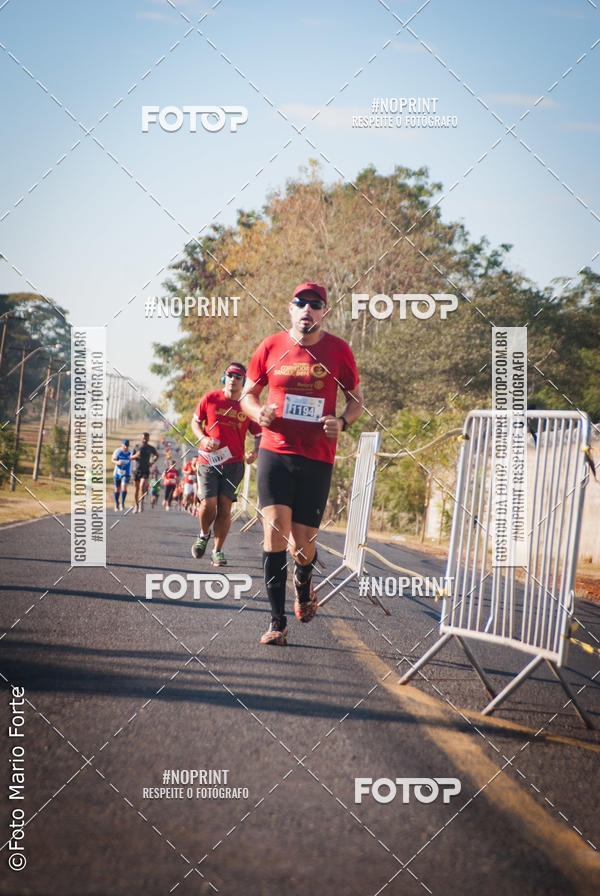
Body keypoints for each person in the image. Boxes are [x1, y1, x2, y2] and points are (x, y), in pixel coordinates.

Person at [241, 282, 363, 645]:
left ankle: (304, 580)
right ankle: (277, 622)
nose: (307, 309)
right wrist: (257, 412)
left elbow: (356, 400)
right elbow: (248, 394)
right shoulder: (270, 346)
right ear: (290, 309)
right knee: (274, 529)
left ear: (325, 312)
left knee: (302, 543)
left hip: (317, 458)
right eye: (301, 303)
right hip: (275, 451)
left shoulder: (339, 350)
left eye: (315, 304)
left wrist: (341, 422)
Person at [190, 362, 261, 566]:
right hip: (208, 460)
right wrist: (203, 439)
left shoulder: (247, 404)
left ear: (243, 381)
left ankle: (217, 551)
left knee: (225, 507)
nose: (233, 379)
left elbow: (258, 433)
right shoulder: (210, 398)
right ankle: (204, 535)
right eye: (230, 375)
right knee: (208, 503)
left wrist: (254, 451)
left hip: (234, 463)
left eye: (238, 376)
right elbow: (195, 422)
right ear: (224, 377)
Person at [131, 432, 158, 513]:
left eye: (146, 438)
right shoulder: (136, 447)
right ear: (141, 438)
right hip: (136, 470)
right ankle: (136, 505)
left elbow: (156, 455)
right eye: (143, 438)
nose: (144, 439)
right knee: (136, 489)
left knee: (142, 486)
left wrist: (152, 462)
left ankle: (141, 503)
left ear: (148, 439)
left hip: (145, 470)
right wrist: (136, 455)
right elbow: (130, 457)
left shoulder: (151, 448)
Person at [112, 438, 132, 511]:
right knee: (117, 489)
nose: (126, 447)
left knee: (124, 487)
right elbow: (112, 460)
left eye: (127, 446)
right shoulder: (118, 451)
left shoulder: (131, 452)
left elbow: (134, 458)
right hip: (117, 473)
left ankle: (122, 503)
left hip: (126, 473)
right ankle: (116, 503)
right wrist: (117, 462)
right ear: (122, 445)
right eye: (124, 445)